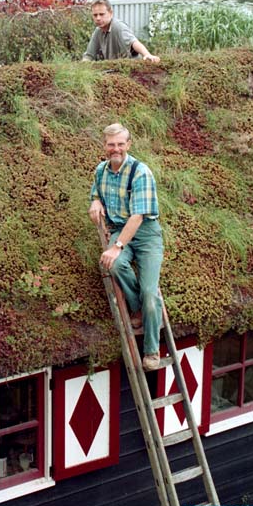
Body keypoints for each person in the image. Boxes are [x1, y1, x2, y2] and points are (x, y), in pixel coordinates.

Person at [89, 123, 164, 371]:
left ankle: (151, 351)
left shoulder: (141, 172)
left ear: (128, 145)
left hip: (145, 233)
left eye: (121, 144)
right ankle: (137, 308)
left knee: (150, 293)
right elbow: (96, 193)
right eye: (111, 144)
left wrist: (117, 246)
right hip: (121, 229)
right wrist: (96, 202)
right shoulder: (101, 171)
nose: (116, 149)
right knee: (114, 264)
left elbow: (138, 217)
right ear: (105, 146)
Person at [82, 0, 161, 63]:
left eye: (102, 14)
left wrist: (147, 54)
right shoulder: (98, 31)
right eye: (95, 15)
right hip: (113, 70)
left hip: (130, 69)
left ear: (111, 13)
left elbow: (133, 42)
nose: (98, 18)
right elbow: (89, 55)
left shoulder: (118, 27)